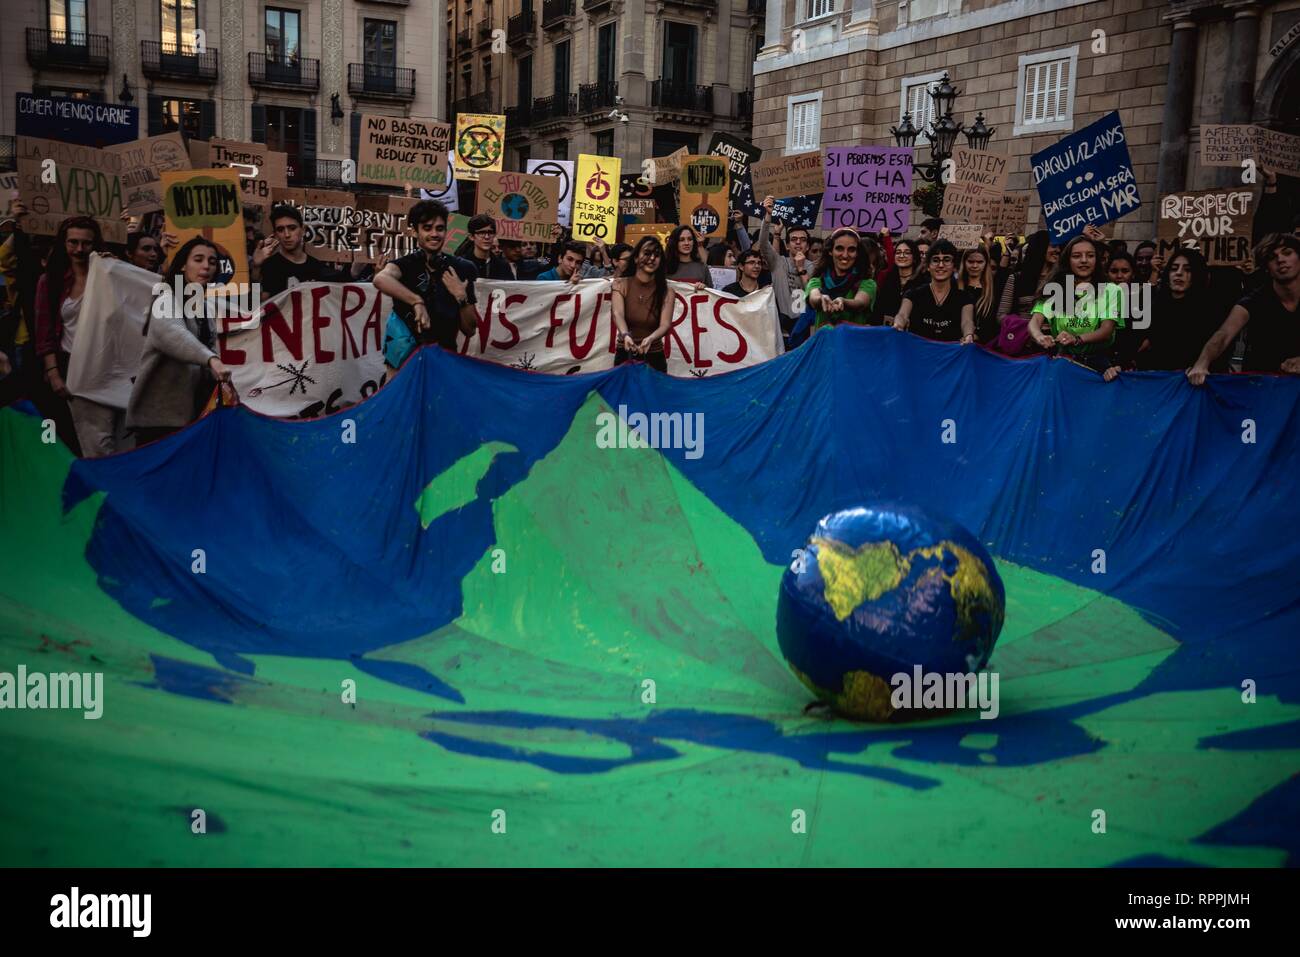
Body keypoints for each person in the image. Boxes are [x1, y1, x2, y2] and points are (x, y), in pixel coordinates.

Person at [126, 237, 234, 446]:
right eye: (198, 259)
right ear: (183, 264)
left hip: (191, 419)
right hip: (158, 423)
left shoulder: (203, 307)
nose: (206, 266)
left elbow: (209, 346)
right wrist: (212, 360)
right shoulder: (166, 298)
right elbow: (174, 334)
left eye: (212, 262)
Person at [36, 217, 108, 456]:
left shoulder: (110, 275)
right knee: (77, 436)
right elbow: (44, 331)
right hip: (70, 366)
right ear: (63, 243)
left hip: (105, 366)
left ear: (95, 244)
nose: (79, 249)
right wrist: (54, 374)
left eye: (86, 243)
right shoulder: (51, 281)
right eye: (73, 242)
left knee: (105, 437)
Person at [1188, 233, 1300, 383]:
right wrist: (1202, 363)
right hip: (1263, 389)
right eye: (1272, 257)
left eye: (1287, 253)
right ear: (1266, 267)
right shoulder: (1255, 300)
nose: (1280, 260)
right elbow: (1223, 334)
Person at [373, 200, 479, 358]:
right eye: (427, 228)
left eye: (440, 228)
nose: (434, 234)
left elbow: (470, 330)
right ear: (414, 231)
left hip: (444, 359)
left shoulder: (463, 268)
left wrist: (461, 297)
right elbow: (380, 279)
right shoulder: (404, 265)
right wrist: (416, 301)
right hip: (406, 359)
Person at [1105, 248, 1221, 381]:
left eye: (1187, 269)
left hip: (1191, 384)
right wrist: (1119, 365)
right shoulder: (1155, 305)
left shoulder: (1208, 310)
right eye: (1174, 268)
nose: (1179, 273)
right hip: (1156, 383)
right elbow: (1137, 338)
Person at [1027, 234, 1122, 372]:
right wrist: (1039, 336)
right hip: (1062, 361)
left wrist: (1076, 339)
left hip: (1097, 364)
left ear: (1097, 260)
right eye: (1077, 256)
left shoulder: (1111, 290)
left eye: (1090, 255)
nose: (1084, 260)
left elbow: (1106, 330)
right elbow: (1035, 321)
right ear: (1067, 260)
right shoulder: (1055, 288)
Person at [251, 205, 363, 297]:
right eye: (280, 229)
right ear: (275, 234)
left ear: (303, 230)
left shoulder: (316, 267)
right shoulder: (271, 266)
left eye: (292, 228)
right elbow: (255, 307)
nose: (287, 234)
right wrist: (256, 268)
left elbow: (344, 293)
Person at [891, 239, 975, 344]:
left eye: (947, 260)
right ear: (927, 267)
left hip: (950, 357)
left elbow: (967, 321)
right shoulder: (913, 294)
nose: (940, 265)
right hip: (918, 355)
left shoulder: (965, 298)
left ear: (954, 266)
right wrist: (898, 325)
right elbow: (902, 315)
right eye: (935, 260)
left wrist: (968, 335)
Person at [610, 237, 674, 373]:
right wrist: (625, 335)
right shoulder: (620, 284)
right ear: (636, 258)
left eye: (657, 255)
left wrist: (650, 338)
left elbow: (665, 324)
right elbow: (617, 314)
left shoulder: (667, 291)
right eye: (647, 253)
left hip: (655, 357)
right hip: (625, 354)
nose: (652, 258)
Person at [806, 227, 878, 332]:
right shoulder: (817, 281)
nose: (845, 255)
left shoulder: (867, 283)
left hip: (853, 345)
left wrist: (844, 302)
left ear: (858, 253)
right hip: (824, 346)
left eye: (851, 250)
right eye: (839, 248)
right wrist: (821, 299)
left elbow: (860, 302)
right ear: (830, 251)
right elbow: (814, 297)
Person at [998, 229, 1060, 322]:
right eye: (1053, 246)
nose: (1058, 250)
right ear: (1040, 247)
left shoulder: (1061, 279)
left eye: (1059, 247)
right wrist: (1026, 327)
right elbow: (1001, 315)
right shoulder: (1017, 279)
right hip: (1022, 334)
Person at [959, 245, 1000, 344]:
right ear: (964, 262)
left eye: (980, 262)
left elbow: (993, 323)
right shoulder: (954, 285)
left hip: (983, 346)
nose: (975, 266)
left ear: (986, 263)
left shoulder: (995, 288)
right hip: (956, 344)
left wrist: (977, 336)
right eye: (971, 261)